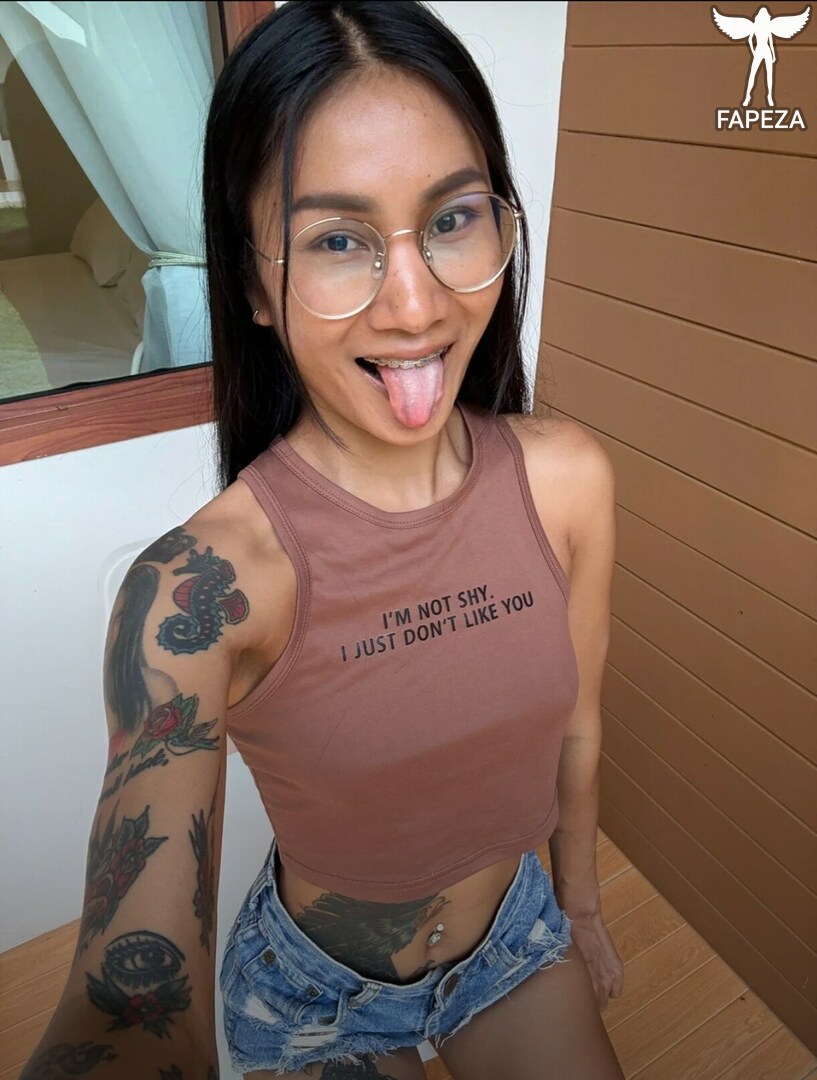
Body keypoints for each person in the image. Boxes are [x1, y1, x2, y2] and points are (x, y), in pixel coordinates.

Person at [20, 2, 626, 1077]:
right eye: (338, 240)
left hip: (512, 943)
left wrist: (576, 902)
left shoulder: (567, 479)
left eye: (452, 219)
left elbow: (577, 728)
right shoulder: (197, 591)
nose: (415, 305)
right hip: (317, 998)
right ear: (254, 284)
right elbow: (126, 997)